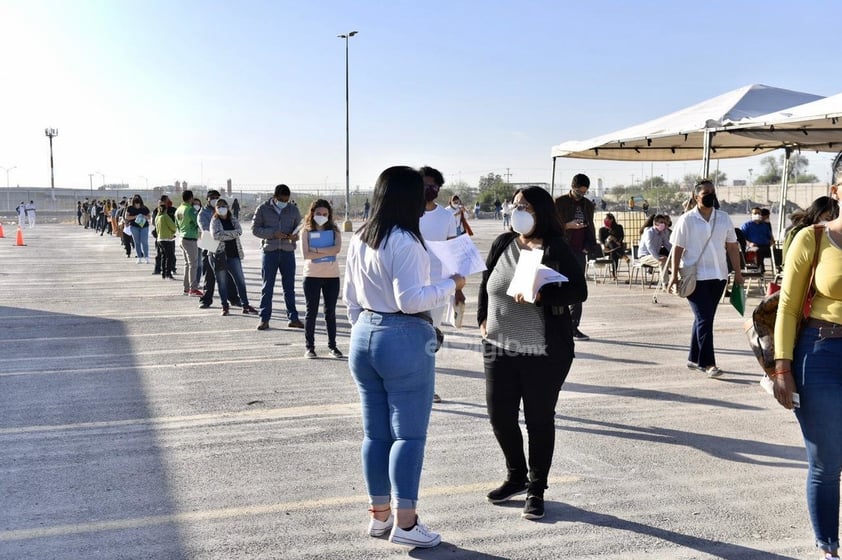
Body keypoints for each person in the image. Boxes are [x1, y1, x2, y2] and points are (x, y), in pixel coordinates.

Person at [344, 165, 464, 548]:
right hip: (403, 336)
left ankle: (379, 517)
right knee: (409, 436)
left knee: (375, 434)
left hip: (364, 333)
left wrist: (367, 327)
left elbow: (349, 299)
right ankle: (407, 523)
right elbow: (410, 301)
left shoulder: (362, 236)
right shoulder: (405, 241)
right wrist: (451, 284)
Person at [478, 186, 588, 521]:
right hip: (497, 347)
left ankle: (537, 488)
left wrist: (542, 296)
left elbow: (578, 290)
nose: (517, 211)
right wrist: (483, 319)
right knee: (500, 416)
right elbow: (487, 281)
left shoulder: (556, 248)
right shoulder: (503, 243)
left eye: (524, 206)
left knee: (538, 420)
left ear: (539, 211)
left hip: (542, 351)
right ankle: (516, 475)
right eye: (515, 206)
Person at [772, 211, 842, 559]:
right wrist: (781, 367)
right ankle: (829, 548)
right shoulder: (813, 239)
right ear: (837, 189)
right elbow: (787, 306)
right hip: (821, 354)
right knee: (828, 462)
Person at [667, 180, 743, 377]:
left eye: (712, 192)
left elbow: (732, 246)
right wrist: (674, 275)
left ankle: (694, 357)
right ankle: (708, 363)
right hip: (696, 278)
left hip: (718, 276)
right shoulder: (687, 220)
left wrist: (738, 273)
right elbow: (677, 249)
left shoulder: (724, 218)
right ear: (696, 196)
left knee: (704, 319)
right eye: (705, 192)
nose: (710, 195)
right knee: (705, 319)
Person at [419, 166, 459, 404]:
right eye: (425, 184)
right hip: (410, 286)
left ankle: (427, 388)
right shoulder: (407, 214)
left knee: (429, 341)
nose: (429, 189)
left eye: (434, 185)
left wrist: (457, 289)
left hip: (438, 288)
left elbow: (453, 252)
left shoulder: (446, 217)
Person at [252, 184, 304, 330]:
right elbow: (255, 229)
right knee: (267, 286)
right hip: (270, 252)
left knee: (289, 288)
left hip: (288, 251)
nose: (284, 202)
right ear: (275, 197)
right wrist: (273, 233)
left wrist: (295, 237)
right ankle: (264, 318)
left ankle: (293, 318)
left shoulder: (293, 209)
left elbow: (300, 229)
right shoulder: (263, 209)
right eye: (281, 199)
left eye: (286, 200)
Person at [554, 173, 597, 340]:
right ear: (572, 188)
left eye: (584, 192)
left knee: (578, 289)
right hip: (563, 250)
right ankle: (559, 325)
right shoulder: (560, 203)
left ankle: (574, 326)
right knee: (560, 288)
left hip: (580, 252)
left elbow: (590, 227)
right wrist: (568, 226)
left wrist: (588, 247)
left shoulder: (588, 205)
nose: (581, 196)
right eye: (579, 192)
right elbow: (553, 226)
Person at [300, 199, 342, 358]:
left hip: (332, 276)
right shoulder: (306, 231)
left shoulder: (334, 229)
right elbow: (306, 254)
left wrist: (316, 249)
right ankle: (310, 347)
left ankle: (333, 346)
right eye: (318, 213)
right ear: (312, 213)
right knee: (311, 312)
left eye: (325, 214)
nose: (322, 216)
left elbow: (337, 249)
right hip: (312, 276)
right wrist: (327, 250)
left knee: (330, 312)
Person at [210, 198, 258, 316]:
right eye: (219, 206)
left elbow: (239, 231)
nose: (221, 208)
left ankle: (245, 305)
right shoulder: (214, 221)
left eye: (223, 206)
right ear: (216, 209)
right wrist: (232, 234)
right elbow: (215, 236)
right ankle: (224, 306)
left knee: (240, 281)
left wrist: (225, 235)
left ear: (227, 206)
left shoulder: (233, 219)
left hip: (234, 254)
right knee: (222, 282)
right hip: (220, 255)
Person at [199, 190, 240, 310]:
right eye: (212, 197)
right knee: (209, 275)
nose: (215, 199)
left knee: (229, 274)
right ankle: (206, 299)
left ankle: (233, 298)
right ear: (207, 199)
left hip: (225, 246)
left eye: (217, 197)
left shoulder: (223, 210)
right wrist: (223, 233)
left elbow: (233, 227)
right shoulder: (203, 213)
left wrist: (223, 234)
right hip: (209, 245)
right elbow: (207, 230)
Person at [783, 196, 839, 262]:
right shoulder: (799, 232)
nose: (829, 223)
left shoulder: (826, 233)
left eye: (833, 220)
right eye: (827, 219)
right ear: (818, 212)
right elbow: (788, 261)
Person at [175, 190, 203, 297]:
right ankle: (193, 288)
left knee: (187, 264)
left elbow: (177, 225)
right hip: (190, 239)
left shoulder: (178, 210)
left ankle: (186, 288)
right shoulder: (190, 210)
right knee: (193, 264)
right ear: (191, 198)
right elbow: (198, 222)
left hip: (182, 237)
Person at [741, 207, 774, 273]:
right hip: (752, 247)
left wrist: (772, 243)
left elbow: (770, 237)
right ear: (752, 214)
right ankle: (760, 269)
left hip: (765, 246)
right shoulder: (746, 225)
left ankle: (763, 269)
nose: (757, 215)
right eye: (755, 213)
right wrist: (749, 243)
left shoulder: (765, 226)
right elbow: (742, 238)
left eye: (758, 213)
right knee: (758, 250)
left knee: (775, 251)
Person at [598, 213, 627, 278]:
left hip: (617, 246)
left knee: (614, 253)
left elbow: (621, 237)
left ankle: (614, 273)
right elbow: (601, 241)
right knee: (610, 240)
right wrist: (604, 246)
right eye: (605, 219)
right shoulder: (602, 230)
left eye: (607, 219)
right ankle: (623, 255)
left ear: (612, 220)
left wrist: (617, 241)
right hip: (607, 248)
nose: (605, 220)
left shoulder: (619, 227)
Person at [154, 199, 177, 280]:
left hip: (159, 239)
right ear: (166, 210)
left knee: (163, 256)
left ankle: (163, 273)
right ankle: (168, 273)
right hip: (167, 239)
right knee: (170, 256)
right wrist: (174, 231)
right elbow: (173, 227)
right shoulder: (165, 216)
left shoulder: (157, 217)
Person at [125, 195, 151, 264]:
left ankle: (146, 257)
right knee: (137, 242)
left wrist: (143, 216)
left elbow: (149, 217)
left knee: (144, 242)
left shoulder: (144, 208)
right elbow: (127, 217)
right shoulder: (130, 208)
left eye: (138, 203)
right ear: (133, 202)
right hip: (134, 227)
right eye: (136, 203)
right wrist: (135, 216)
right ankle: (139, 257)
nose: (137, 205)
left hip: (144, 227)